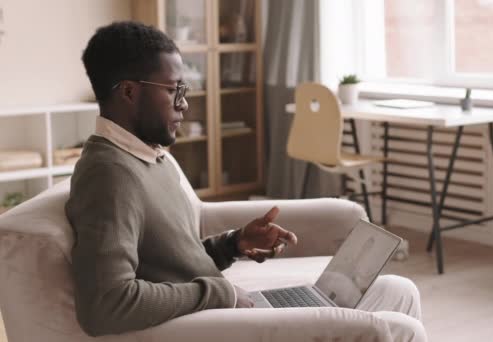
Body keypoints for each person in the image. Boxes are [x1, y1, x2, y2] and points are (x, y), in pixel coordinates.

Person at [67, 21, 426, 341]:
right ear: (129, 92)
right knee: (403, 330)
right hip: (209, 322)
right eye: (173, 90)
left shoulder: (148, 155)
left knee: (399, 290)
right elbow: (106, 305)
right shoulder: (109, 176)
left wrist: (233, 244)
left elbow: (171, 264)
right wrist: (220, 294)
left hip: (224, 306)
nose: (184, 105)